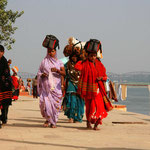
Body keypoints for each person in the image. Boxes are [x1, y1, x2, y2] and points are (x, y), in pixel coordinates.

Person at [75, 42, 113, 130]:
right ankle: (88, 122)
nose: (93, 57)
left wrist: (101, 78)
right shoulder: (84, 63)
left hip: (99, 90)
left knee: (99, 107)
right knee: (90, 108)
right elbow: (77, 67)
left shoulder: (99, 64)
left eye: (94, 55)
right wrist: (82, 59)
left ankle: (96, 125)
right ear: (88, 55)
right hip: (89, 90)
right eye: (91, 55)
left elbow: (105, 75)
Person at [37, 47, 65, 128]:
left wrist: (57, 71)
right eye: (49, 51)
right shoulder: (44, 62)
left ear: (55, 52)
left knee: (55, 105)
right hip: (46, 87)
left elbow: (64, 73)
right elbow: (39, 72)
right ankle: (47, 119)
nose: (50, 53)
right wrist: (42, 75)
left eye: (52, 51)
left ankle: (53, 122)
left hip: (56, 87)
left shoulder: (59, 62)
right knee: (44, 103)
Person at [63, 53, 84, 123]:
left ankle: (78, 117)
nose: (74, 58)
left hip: (80, 84)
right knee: (71, 100)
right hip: (71, 83)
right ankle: (71, 117)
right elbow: (63, 74)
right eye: (73, 56)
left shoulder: (82, 64)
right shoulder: (67, 65)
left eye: (76, 56)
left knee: (80, 101)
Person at [0, 45, 12, 126]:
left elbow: (7, 74)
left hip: (4, 86)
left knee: (5, 104)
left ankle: (4, 117)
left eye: (1, 51)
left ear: (3, 52)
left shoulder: (4, 62)